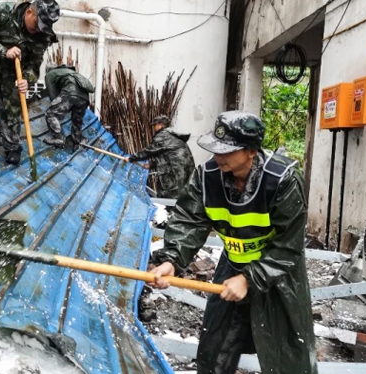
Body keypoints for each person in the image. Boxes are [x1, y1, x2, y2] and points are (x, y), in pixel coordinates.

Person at [148, 111, 318, 374]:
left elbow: (288, 247)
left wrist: (249, 279)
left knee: (288, 354)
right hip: (233, 263)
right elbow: (189, 220)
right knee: (216, 346)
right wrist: (172, 260)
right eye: (216, 149)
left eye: (227, 150)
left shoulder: (282, 180)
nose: (218, 156)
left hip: (277, 272)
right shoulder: (208, 176)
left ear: (251, 151)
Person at [0, 0, 60, 165]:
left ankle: (12, 145)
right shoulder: (2, 12)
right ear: (29, 12)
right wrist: (4, 51)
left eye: (43, 27)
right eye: (37, 24)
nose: (38, 29)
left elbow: (34, 65)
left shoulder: (43, 36)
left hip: (15, 66)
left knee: (13, 99)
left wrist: (27, 80)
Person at [128, 116, 195, 199]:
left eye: (154, 125)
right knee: (180, 194)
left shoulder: (163, 136)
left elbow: (149, 151)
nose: (153, 128)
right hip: (185, 170)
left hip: (177, 172)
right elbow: (168, 156)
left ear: (160, 124)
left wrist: (131, 158)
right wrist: (152, 165)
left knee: (169, 194)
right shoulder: (171, 135)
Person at [42, 64, 94, 149]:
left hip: (70, 93)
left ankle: (58, 138)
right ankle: (78, 141)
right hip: (84, 98)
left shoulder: (50, 74)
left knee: (50, 113)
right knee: (77, 119)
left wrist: (59, 107)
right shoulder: (70, 72)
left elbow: (53, 95)